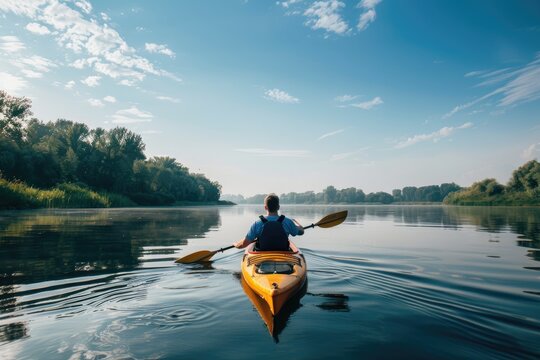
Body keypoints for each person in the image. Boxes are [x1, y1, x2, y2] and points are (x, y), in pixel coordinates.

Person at [233, 193, 304, 251]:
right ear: (278, 207)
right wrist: (300, 227)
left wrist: (235, 244)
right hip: (283, 253)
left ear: (265, 207)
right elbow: (301, 232)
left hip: (262, 255)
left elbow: (244, 244)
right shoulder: (288, 222)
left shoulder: (257, 224)